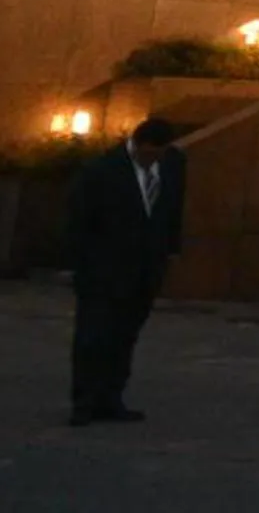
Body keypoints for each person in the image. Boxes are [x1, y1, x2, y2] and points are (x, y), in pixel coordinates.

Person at [67, 117, 185, 426]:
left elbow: (172, 210)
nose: (154, 160)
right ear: (138, 144)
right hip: (104, 271)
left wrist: (170, 252)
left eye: (159, 154)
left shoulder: (173, 165)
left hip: (145, 270)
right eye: (149, 154)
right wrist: (80, 265)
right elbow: (80, 221)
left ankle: (111, 397)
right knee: (93, 337)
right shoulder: (101, 170)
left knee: (124, 337)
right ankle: (85, 401)